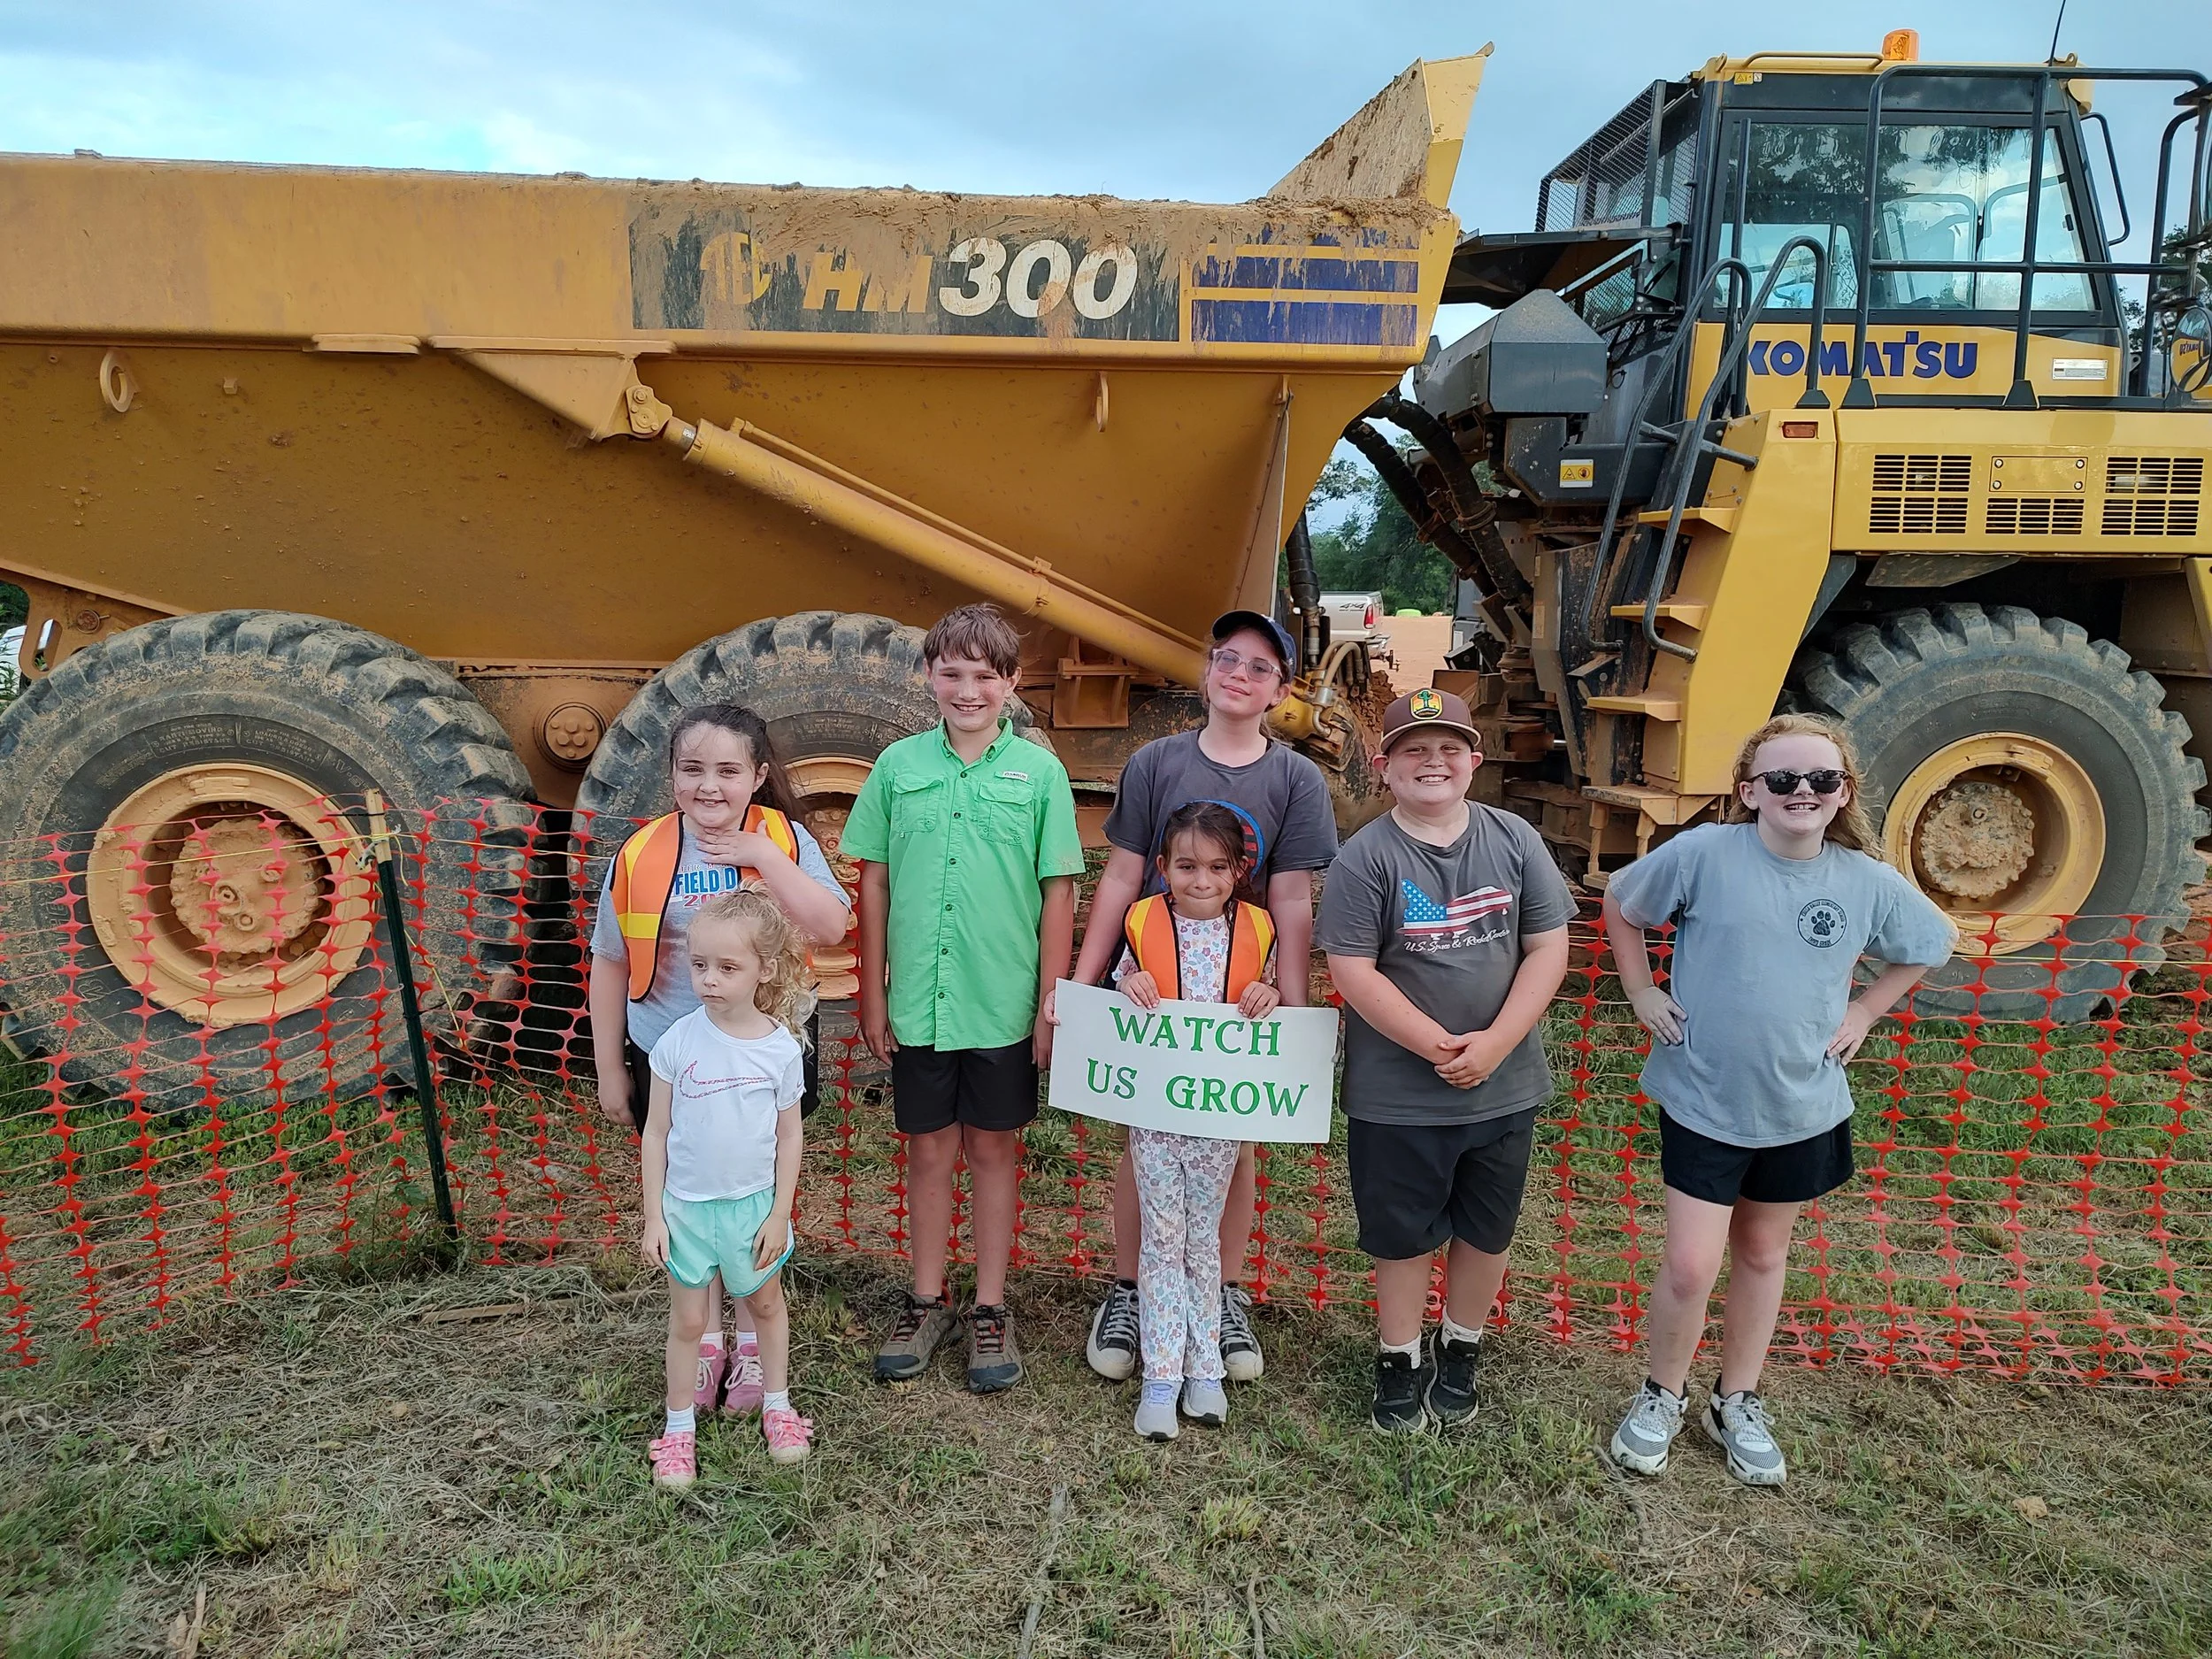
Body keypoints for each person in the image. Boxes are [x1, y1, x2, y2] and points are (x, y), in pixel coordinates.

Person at [1604, 713, 1954, 1487]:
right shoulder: (1702, 854)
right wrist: (1640, 989)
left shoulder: (1865, 881)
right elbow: (1623, 907)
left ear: (1843, 793)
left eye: (1821, 780)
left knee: (1762, 1252)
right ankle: (1662, 1392)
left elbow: (1931, 944)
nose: (1803, 791)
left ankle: (1737, 1399)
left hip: (1801, 1106)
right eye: (1783, 779)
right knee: (1692, 1265)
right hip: (1703, 1097)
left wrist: (1864, 1010)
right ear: (1748, 790)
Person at [1062, 610, 1338, 1388]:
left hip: (1240, 994)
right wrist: (1085, 983)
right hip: (1155, 990)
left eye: (1258, 666)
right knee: (1142, 1137)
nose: (1239, 673)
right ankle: (1130, 1289)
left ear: (1279, 691)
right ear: (1208, 671)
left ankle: (1219, 1294)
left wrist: (1290, 998)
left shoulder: (1295, 779)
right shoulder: (1156, 762)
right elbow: (1120, 877)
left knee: (1236, 1139)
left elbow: (1290, 897)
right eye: (1227, 658)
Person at [1317, 688, 1575, 1433]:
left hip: (1505, 1086)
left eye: (1449, 748)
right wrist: (1438, 1047)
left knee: (1486, 1228)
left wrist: (1494, 1045)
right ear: (1384, 766)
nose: (1433, 761)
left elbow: (1548, 947)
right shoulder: (1367, 857)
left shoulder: (1516, 840)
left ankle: (1461, 1342)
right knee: (1402, 1234)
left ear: (1475, 760)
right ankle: (1399, 1356)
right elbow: (1354, 969)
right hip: (1399, 1095)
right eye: (1414, 749)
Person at [588, 703, 852, 1423]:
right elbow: (609, 961)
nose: (710, 786)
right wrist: (611, 1063)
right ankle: (702, 1338)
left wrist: (765, 860)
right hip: (673, 1060)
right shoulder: (640, 854)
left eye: (729, 770)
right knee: (685, 1189)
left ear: (758, 777)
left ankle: (747, 1326)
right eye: (693, 768)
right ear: (672, 775)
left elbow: (833, 925)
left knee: (751, 1183)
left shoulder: (785, 839)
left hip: (763, 1055)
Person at [845, 603, 1085, 1393]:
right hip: (920, 1002)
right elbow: (873, 881)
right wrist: (873, 995)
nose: (969, 688)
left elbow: (1058, 894)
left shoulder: (1040, 775)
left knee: (991, 1148)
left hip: (1002, 1002)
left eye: (986, 675)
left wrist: (1052, 1001)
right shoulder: (897, 768)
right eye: (952, 672)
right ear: (928, 676)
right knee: (927, 1150)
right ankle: (925, 1296)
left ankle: (988, 1305)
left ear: (1013, 683)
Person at [1109, 802, 1283, 1440]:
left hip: (1219, 1114)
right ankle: (1160, 1374)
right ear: (1163, 868)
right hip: (1154, 1115)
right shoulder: (1142, 925)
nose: (1201, 880)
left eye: (1216, 866)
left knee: (1202, 1239)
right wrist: (1127, 986)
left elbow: (1275, 1001)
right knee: (1161, 1235)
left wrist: (1272, 992)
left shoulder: (1260, 931)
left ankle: (1203, 1364)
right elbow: (1122, 986)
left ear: (1238, 870)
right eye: (1186, 866)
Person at [640, 891, 813, 1486]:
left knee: (765, 1304)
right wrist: (654, 1216)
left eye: (727, 967)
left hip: (753, 1210)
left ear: (765, 967)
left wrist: (778, 1212)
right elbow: (656, 1130)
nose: (708, 980)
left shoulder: (780, 1050)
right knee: (688, 1321)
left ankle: (778, 1405)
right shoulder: (676, 1044)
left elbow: (790, 1137)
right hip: (687, 1211)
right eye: (698, 965)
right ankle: (678, 1429)